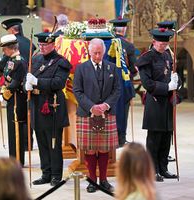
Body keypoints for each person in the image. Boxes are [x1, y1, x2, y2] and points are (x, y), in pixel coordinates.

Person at [73, 38, 121, 193]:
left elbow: (117, 90)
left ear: (104, 52)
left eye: (100, 53)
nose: (97, 56)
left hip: (107, 113)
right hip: (87, 114)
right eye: (94, 53)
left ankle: (104, 180)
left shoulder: (112, 68)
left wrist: (105, 105)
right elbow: (77, 91)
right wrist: (92, 107)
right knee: (90, 149)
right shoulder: (81, 68)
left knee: (104, 149)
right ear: (89, 51)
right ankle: (92, 180)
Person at [25, 31, 71, 186]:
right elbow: (29, 77)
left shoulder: (61, 62)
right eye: (40, 44)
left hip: (53, 106)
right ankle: (46, 173)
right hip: (37, 105)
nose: (42, 47)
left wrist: (37, 81)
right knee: (42, 142)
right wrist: (27, 85)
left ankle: (56, 175)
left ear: (53, 44)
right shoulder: (35, 59)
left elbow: (58, 83)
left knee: (53, 143)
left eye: (45, 45)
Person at [135, 28, 179, 182]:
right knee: (154, 138)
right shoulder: (146, 58)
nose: (163, 45)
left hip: (167, 103)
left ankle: (163, 168)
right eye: (160, 42)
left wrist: (176, 83)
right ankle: (152, 170)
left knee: (167, 136)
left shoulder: (167, 55)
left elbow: (171, 74)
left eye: (165, 42)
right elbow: (147, 83)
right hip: (155, 103)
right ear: (154, 42)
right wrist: (167, 87)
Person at [0, 18, 36, 151]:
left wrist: (5, 95)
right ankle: (28, 143)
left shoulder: (14, 51)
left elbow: (7, 70)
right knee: (25, 121)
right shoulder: (28, 42)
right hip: (25, 87)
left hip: (17, 92)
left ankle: (19, 152)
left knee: (17, 123)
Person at [0, 34, 27, 166]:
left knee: (16, 131)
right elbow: (5, 73)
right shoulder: (12, 60)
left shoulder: (19, 61)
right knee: (11, 129)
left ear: (11, 48)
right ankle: (13, 158)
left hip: (17, 100)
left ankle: (17, 160)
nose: (4, 52)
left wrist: (4, 95)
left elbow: (15, 83)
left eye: (5, 49)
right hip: (12, 99)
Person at [109, 17, 137, 147]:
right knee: (123, 112)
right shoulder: (128, 46)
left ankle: (110, 137)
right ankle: (121, 138)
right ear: (125, 29)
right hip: (123, 85)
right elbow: (133, 69)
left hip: (108, 84)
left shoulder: (108, 43)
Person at [156, 20, 177, 163]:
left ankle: (164, 158)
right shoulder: (155, 52)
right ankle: (157, 162)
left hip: (169, 95)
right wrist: (168, 86)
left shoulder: (169, 51)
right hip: (158, 95)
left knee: (168, 129)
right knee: (158, 133)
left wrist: (177, 84)